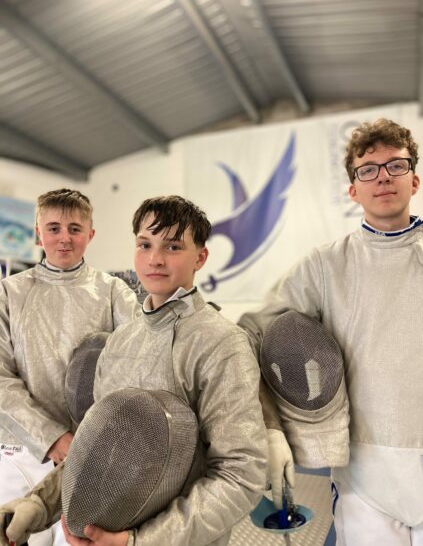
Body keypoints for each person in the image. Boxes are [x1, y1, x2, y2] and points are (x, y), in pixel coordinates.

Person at [0, 195, 267, 546]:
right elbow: (95, 448)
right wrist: (40, 504)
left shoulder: (221, 343)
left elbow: (240, 476)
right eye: (145, 244)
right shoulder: (121, 341)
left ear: (200, 257)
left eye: (173, 246)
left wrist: (138, 541)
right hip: (105, 529)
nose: (155, 259)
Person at [238, 118, 423, 545]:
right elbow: (251, 333)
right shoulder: (325, 267)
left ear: (413, 179)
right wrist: (269, 428)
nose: (383, 178)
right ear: (353, 189)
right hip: (365, 467)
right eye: (368, 169)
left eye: (396, 166)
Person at [0, 188, 140, 545]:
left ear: (90, 235)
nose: (64, 238)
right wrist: (51, 437)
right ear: (37, 233)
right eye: (54, 228)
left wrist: (91, 441)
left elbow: (138, 363)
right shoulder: (9, 293)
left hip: (90, 455)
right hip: (19, 452)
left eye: (75, 228)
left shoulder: (114, 292)